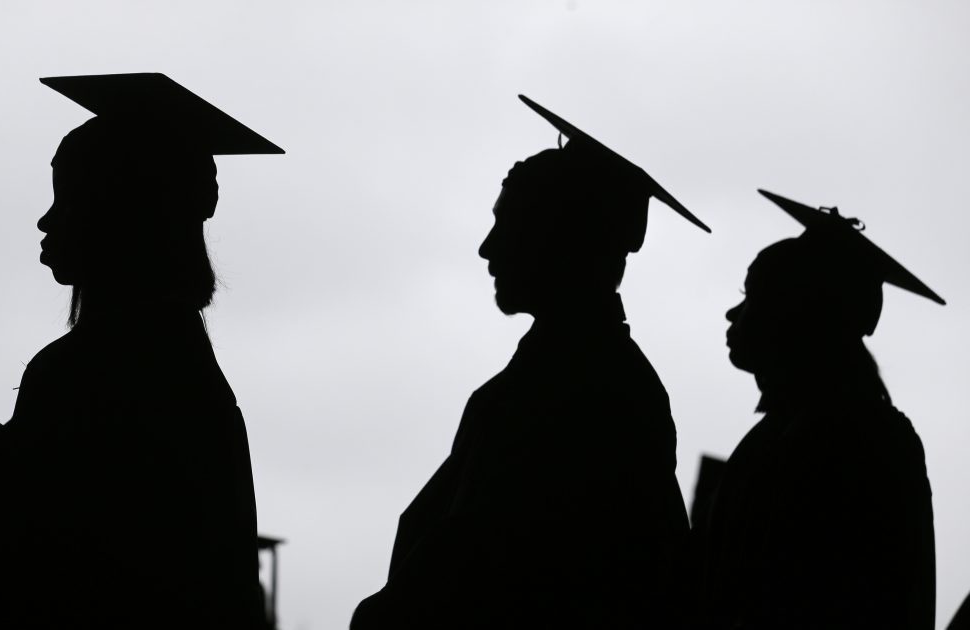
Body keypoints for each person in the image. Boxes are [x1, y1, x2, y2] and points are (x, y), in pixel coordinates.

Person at [0, 73, 282, 629]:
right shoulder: (178, 367)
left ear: (122, 213)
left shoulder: (92, 372)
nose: (46, 219)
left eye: (68, 197)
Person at [351, 95, 709, 629]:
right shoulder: (577, 376)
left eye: (513, 223)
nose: (487, 248)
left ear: (567, 236)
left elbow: (486, 563)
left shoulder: (584, 389)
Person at [697, 190, 939, 629]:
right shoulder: (803, 433)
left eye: (754, 295)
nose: (734, 313)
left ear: (799, 314)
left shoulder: (852, 444)